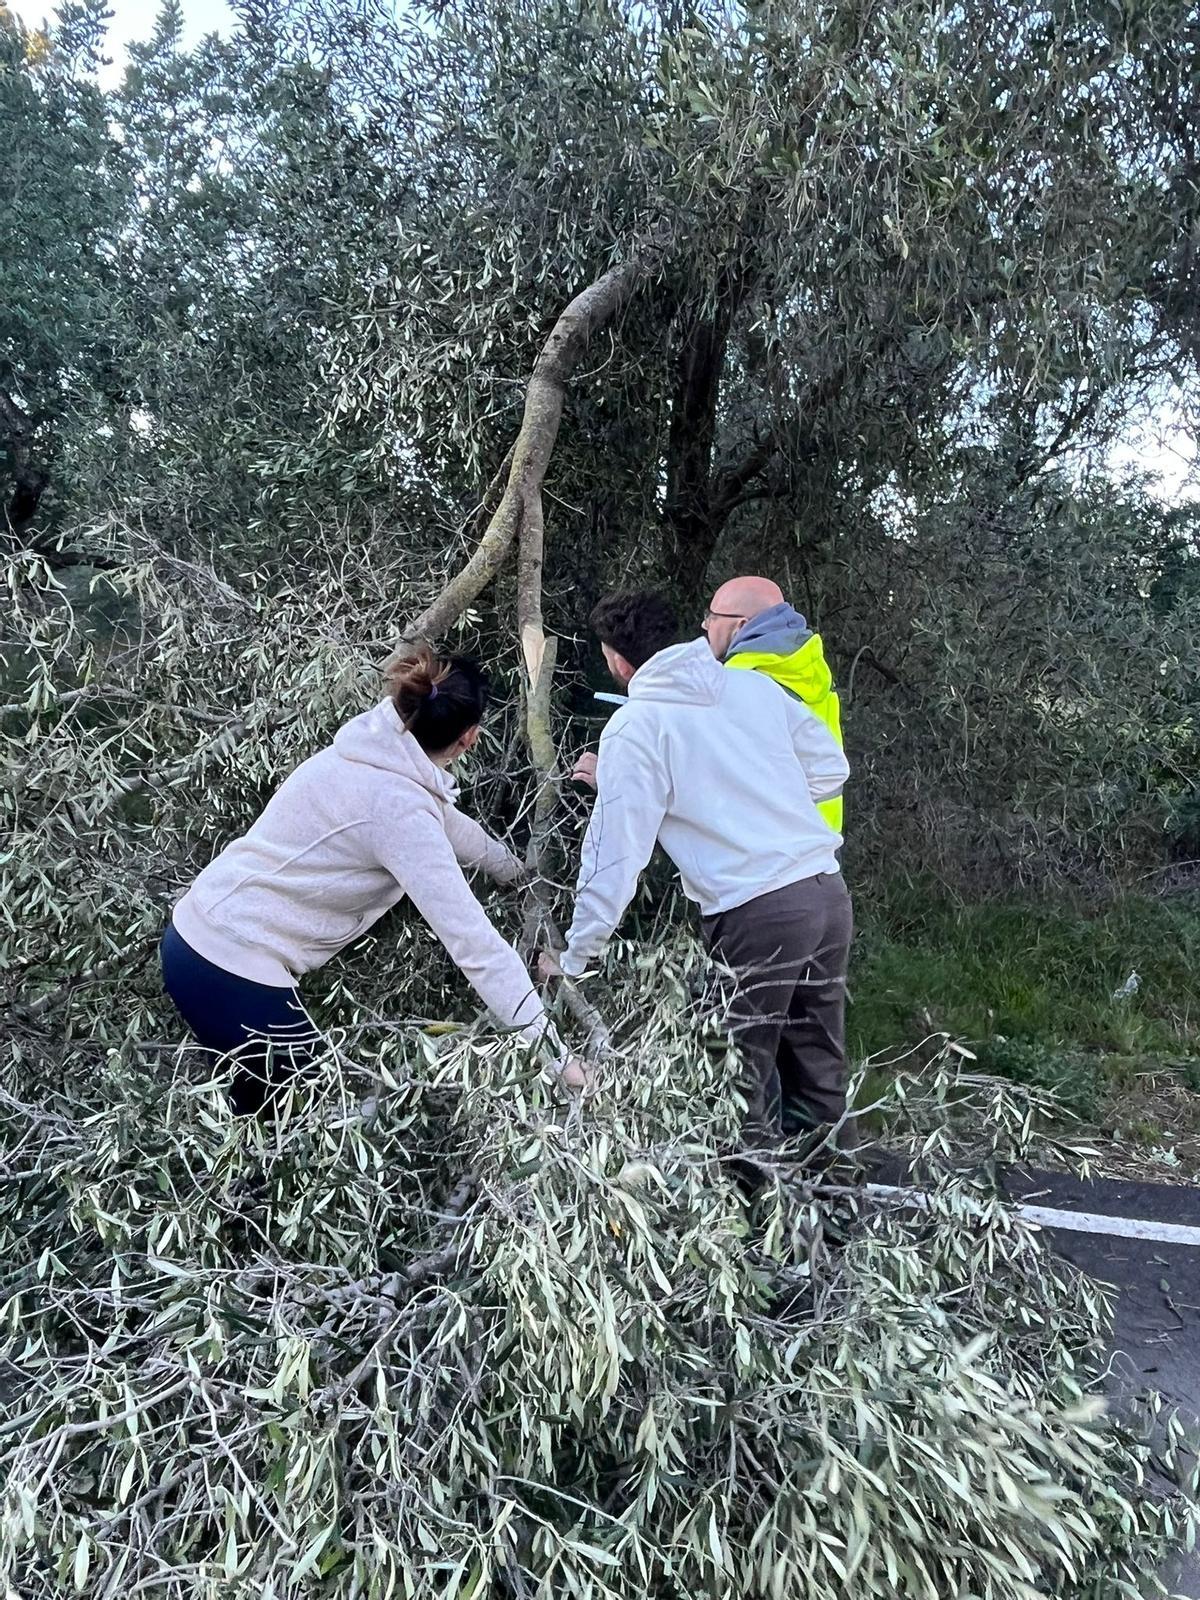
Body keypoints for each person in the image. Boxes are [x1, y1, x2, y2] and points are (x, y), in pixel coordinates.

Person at [162, 648, 578, 1114]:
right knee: (314, 1124)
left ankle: (241, 1177)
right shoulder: (397, 809)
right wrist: (557, 1057)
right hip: (232, 966)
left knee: (260, 1114)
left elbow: (446, 821)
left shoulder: (376, 748)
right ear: (469, 738)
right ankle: (249, 1181)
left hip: (193, 933)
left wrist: (515, 873)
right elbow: (475, 946)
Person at [543, 590, 853, 1152]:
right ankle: (832, 1216)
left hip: (758, 913)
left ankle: (748, 1222)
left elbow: (615, 858)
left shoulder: (637, 727)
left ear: (616, 660)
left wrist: (577, 956)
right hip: (826, 894)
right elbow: (831, 769)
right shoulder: (752, 685)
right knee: (817, 1062)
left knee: (732, 1076)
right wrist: (760, 805)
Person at [701, 576, 845, 835]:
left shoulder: (741, 679)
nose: (705, 624)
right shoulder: (808, 665)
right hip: (822, 844)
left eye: (713, 616)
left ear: (741, 625)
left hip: (770, 853)